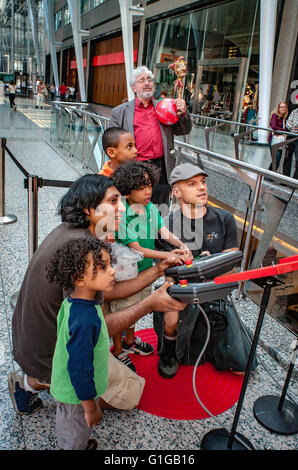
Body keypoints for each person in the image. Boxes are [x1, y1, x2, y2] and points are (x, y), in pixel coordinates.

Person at [8, 174, 185, 416]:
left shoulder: (71, 232)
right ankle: (40, 382)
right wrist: (151, 304)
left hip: (30, 341)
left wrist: (157, 270)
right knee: (130, 395)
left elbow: (108, 292)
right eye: (113, 202)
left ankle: (36, 379)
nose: (122, 208)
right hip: (51, 353)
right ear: (88, 209)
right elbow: (97, 329)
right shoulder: (85, 252)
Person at [154, 163, 258, 378]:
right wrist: (196, 267)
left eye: (203, 182)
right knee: (171, 315)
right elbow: (165, 273)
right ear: (176, 191)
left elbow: (232, 267)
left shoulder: (225, 219)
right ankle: (170, 349)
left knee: (242, 368)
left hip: (215, 289)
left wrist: (209, 267)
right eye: (192, 184)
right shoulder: (167, 226)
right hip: (181, 291)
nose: (202, 188)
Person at [110, 161, 192, 371]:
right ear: (127, 191)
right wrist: (167, 255)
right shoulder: (122, 214)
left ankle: (130, 341)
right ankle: (118, 349)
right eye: (141, 187)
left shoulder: (151, 208)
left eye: (149, 185)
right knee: (124, 308)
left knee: (137, 306)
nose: (148, 191)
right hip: (126, 273)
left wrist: (180, 244)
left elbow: (162, 232)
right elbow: (137, 248)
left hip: (145, 270)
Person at [47, 238, 116, 450]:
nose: (112, 271)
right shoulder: (85, 319)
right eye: (102, 268)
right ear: (79, 278)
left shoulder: (74, 301)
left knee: (75, 428)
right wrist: (90, 408)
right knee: (73, 435)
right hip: (76, 395)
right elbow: (79, 367)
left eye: (110, 264)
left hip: (75, 389)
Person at [109, 65, 192, 207]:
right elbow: (111, 144)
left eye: (149, 80)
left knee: (160, 210)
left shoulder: (166, 106)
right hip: (134, 168)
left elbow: (183, 130)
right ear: (133, 88)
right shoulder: (120, 112)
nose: (147, 83)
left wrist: (183, 113)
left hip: (162, 169)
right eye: (141, 80)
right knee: (135, 210)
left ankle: (157, 230)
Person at [267, 102, 289, 173]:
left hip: (280, 141)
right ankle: (268, 175)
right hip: (273, 140)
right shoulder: (274, 116)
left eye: (284, 107)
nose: (283, 108)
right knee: (276, 160)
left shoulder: (284, 119)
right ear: (278, 108)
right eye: (281, 107)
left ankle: (269, 175)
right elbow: (274, 127)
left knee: (277, 160)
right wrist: (285, 130)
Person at [284, 93, 298, 180]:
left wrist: (295, 125)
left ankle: (295, 180)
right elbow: (288, 123)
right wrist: (294, 126)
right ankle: (285, 178)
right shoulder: (294, 111)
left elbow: (295, 124)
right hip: (291, 136)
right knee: (287, 157)